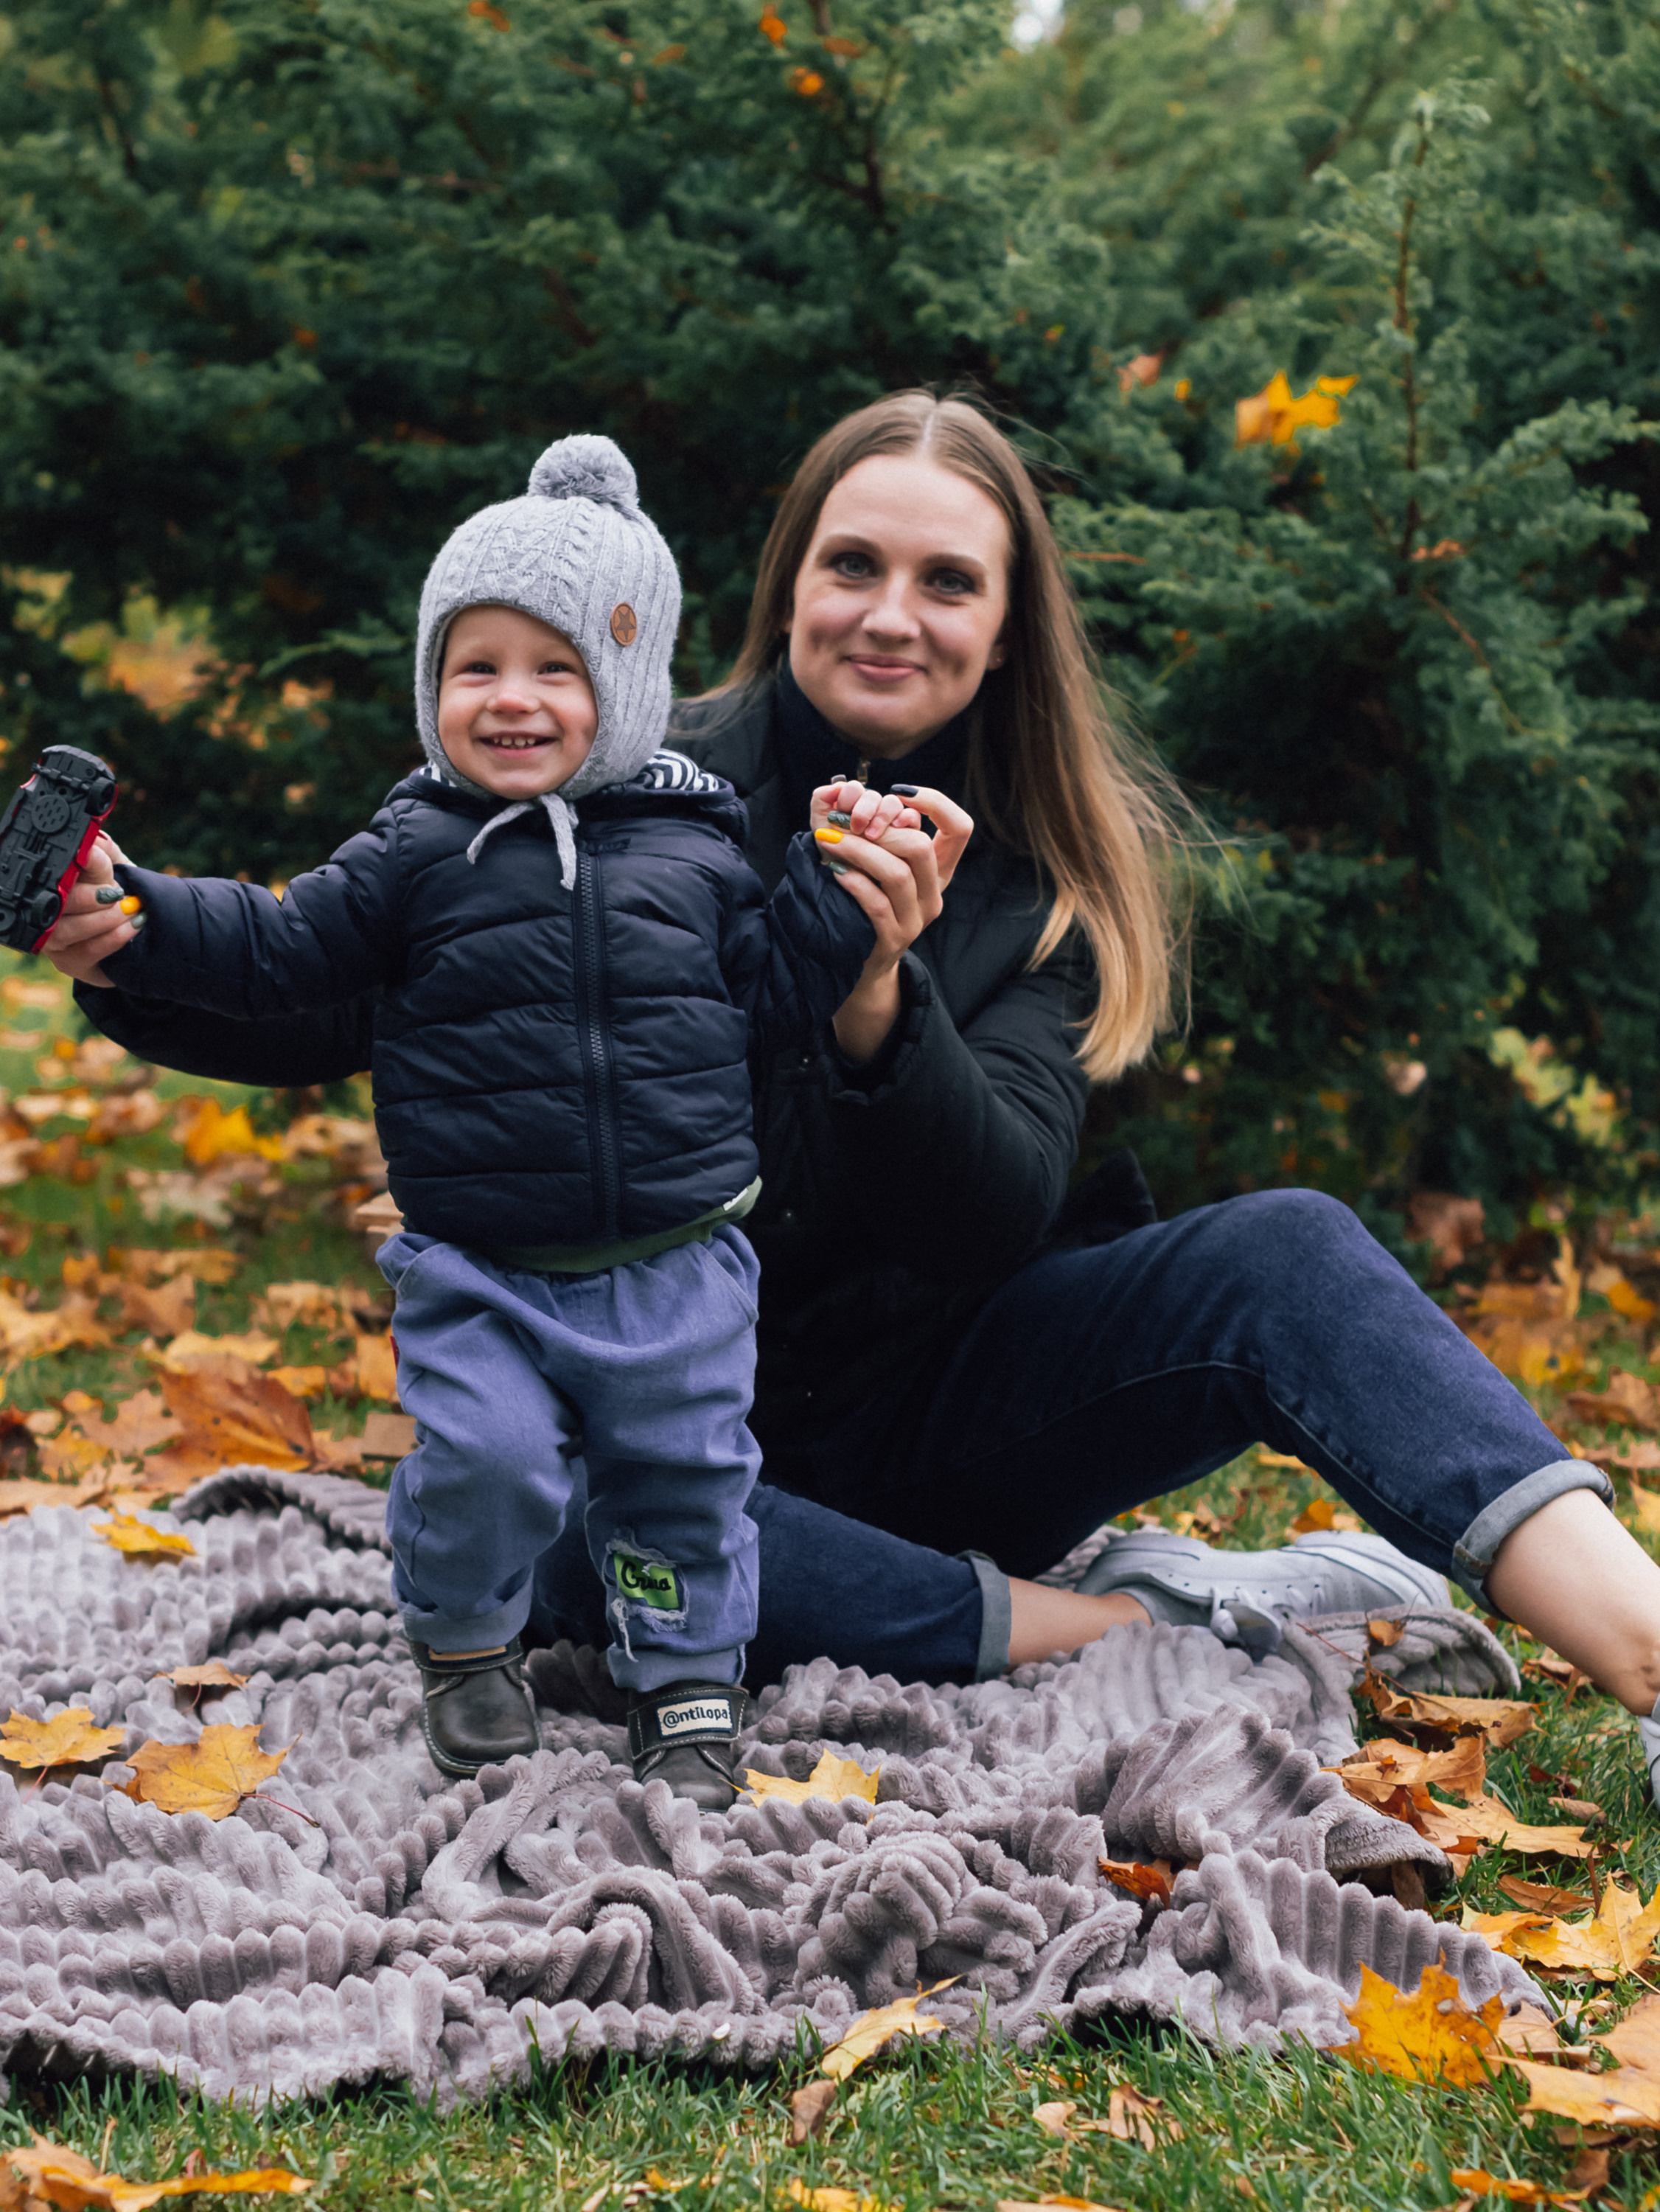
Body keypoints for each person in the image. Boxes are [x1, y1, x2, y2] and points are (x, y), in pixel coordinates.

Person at [50, 392, 1660, 1806]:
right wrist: (123, 949)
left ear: (1007, 628)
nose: (893, 615)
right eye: (853, 566)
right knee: (565, 1523)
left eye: (947, 580)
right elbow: (325, 985)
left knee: (1289, 1249)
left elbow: (989, 1219)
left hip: (948, 1402)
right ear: (788, 591)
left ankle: (1645, 1655)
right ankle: (1148, 1618)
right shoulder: (611, 788)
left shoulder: (1044, 878)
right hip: (663, 1411)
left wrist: (877, 996)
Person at [38, 432, 918, 1808]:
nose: (511, 699)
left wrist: (839, 888)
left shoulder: (698, 845)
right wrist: (137, 917)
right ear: (432, 685)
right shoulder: (414, 849)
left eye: (555, 669)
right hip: (481, 1269)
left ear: (626, 684)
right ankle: (463, 1640)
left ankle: (688, 1675)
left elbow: (772, 1002)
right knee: (486, 1466)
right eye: (475, 667)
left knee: (685, 1482)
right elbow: (278, 948)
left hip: (679, 1264)